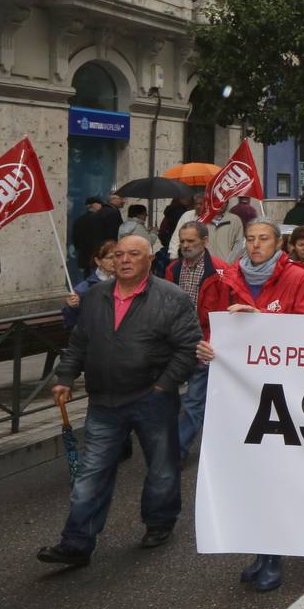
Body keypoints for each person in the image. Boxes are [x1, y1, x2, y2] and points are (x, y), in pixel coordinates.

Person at [37, 235, 201, 569]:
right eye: (118, 254)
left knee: (162, 467)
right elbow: (79, 342)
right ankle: (77, 542)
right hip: (103, 402)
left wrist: (164, 385)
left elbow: (189, 348)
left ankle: (159, 522)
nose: (124, 260)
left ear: (150, 259)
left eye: (133, 254)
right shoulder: (95, 296)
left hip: (152, 399)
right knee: (91, 474)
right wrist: (65, 377)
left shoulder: (172, 298)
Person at [166, 222, 232, 462]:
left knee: (194, 403)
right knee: (166, 400)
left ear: (204, 242)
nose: (185, 246)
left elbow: (224, 312)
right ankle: (167, 444)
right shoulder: (173, 269)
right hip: (176, 346)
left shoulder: (221, 271)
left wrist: (217, 343)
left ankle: (178, 451)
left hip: (205, 344)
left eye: (190, 241)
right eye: (182, 241)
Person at [220, 220, 304, 317]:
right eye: (250, 239)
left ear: (279, 243)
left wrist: (260, 316)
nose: (256, 245)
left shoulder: (299, 278)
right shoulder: (230, 276)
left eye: (264, 239)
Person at [63, 241, 118, 330]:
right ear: (98, 261)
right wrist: (72, 307)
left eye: (118, 256)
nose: (115, 260)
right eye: (110, 257)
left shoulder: (125, 282)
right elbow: (70, 324)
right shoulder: (84, 289)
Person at [70, 197, 110, 276]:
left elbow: (75, 238)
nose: (101, 207)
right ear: (94, 205)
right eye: (100, 204)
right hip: (98, 254)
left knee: (86, 277)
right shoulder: (102, 219)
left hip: (84, 255)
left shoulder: (79, 220)